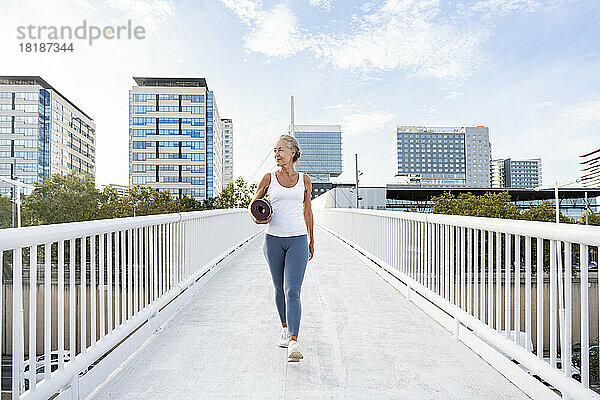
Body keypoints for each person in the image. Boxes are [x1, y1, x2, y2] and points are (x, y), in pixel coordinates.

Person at [249, 134, 314, 362]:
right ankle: (285, 328)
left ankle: (294, 341)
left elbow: (307, 211)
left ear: (293, 152)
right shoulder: (269, 178)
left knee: (292, 290)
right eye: (274, 150)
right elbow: (254, 205)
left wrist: (311, 240)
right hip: (273, 240)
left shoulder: (305, 180)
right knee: (278, 287)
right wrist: (258, 218)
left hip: (297, 239)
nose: (276, 154)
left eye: (280, 150)